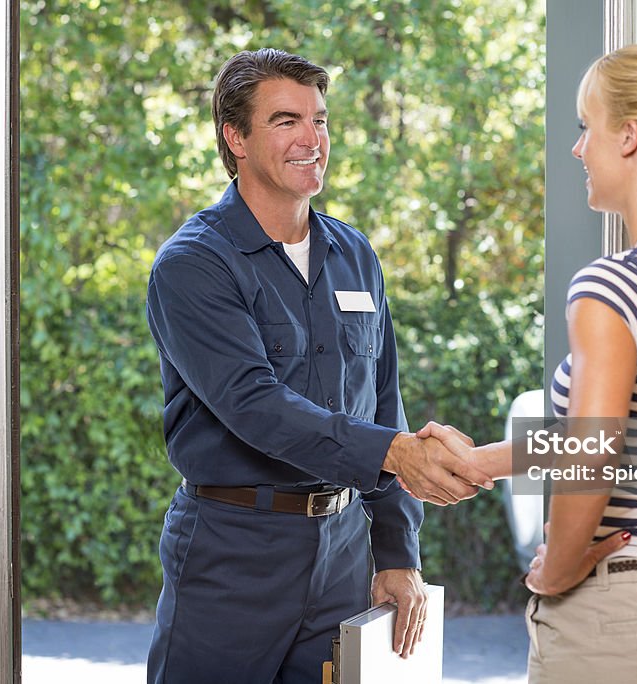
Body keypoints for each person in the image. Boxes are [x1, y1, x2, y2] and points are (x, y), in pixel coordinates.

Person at [421, 42, 637, 683]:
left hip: (626, 620)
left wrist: (554, 572)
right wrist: (479, 463)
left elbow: (594, 449)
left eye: (588, 128)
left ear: (631, 138)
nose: (579, 148)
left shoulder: (615, 286)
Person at [144, 48, 494, 683]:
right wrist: (396, 452)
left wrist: (396, 550)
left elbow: (383, 401)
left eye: (321, 120)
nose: (312, 139)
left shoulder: (353, 253)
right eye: (286, 121)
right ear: (235, 137)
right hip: (232, 553)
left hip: (340, 553)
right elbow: (256, 406)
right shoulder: (194, 264)